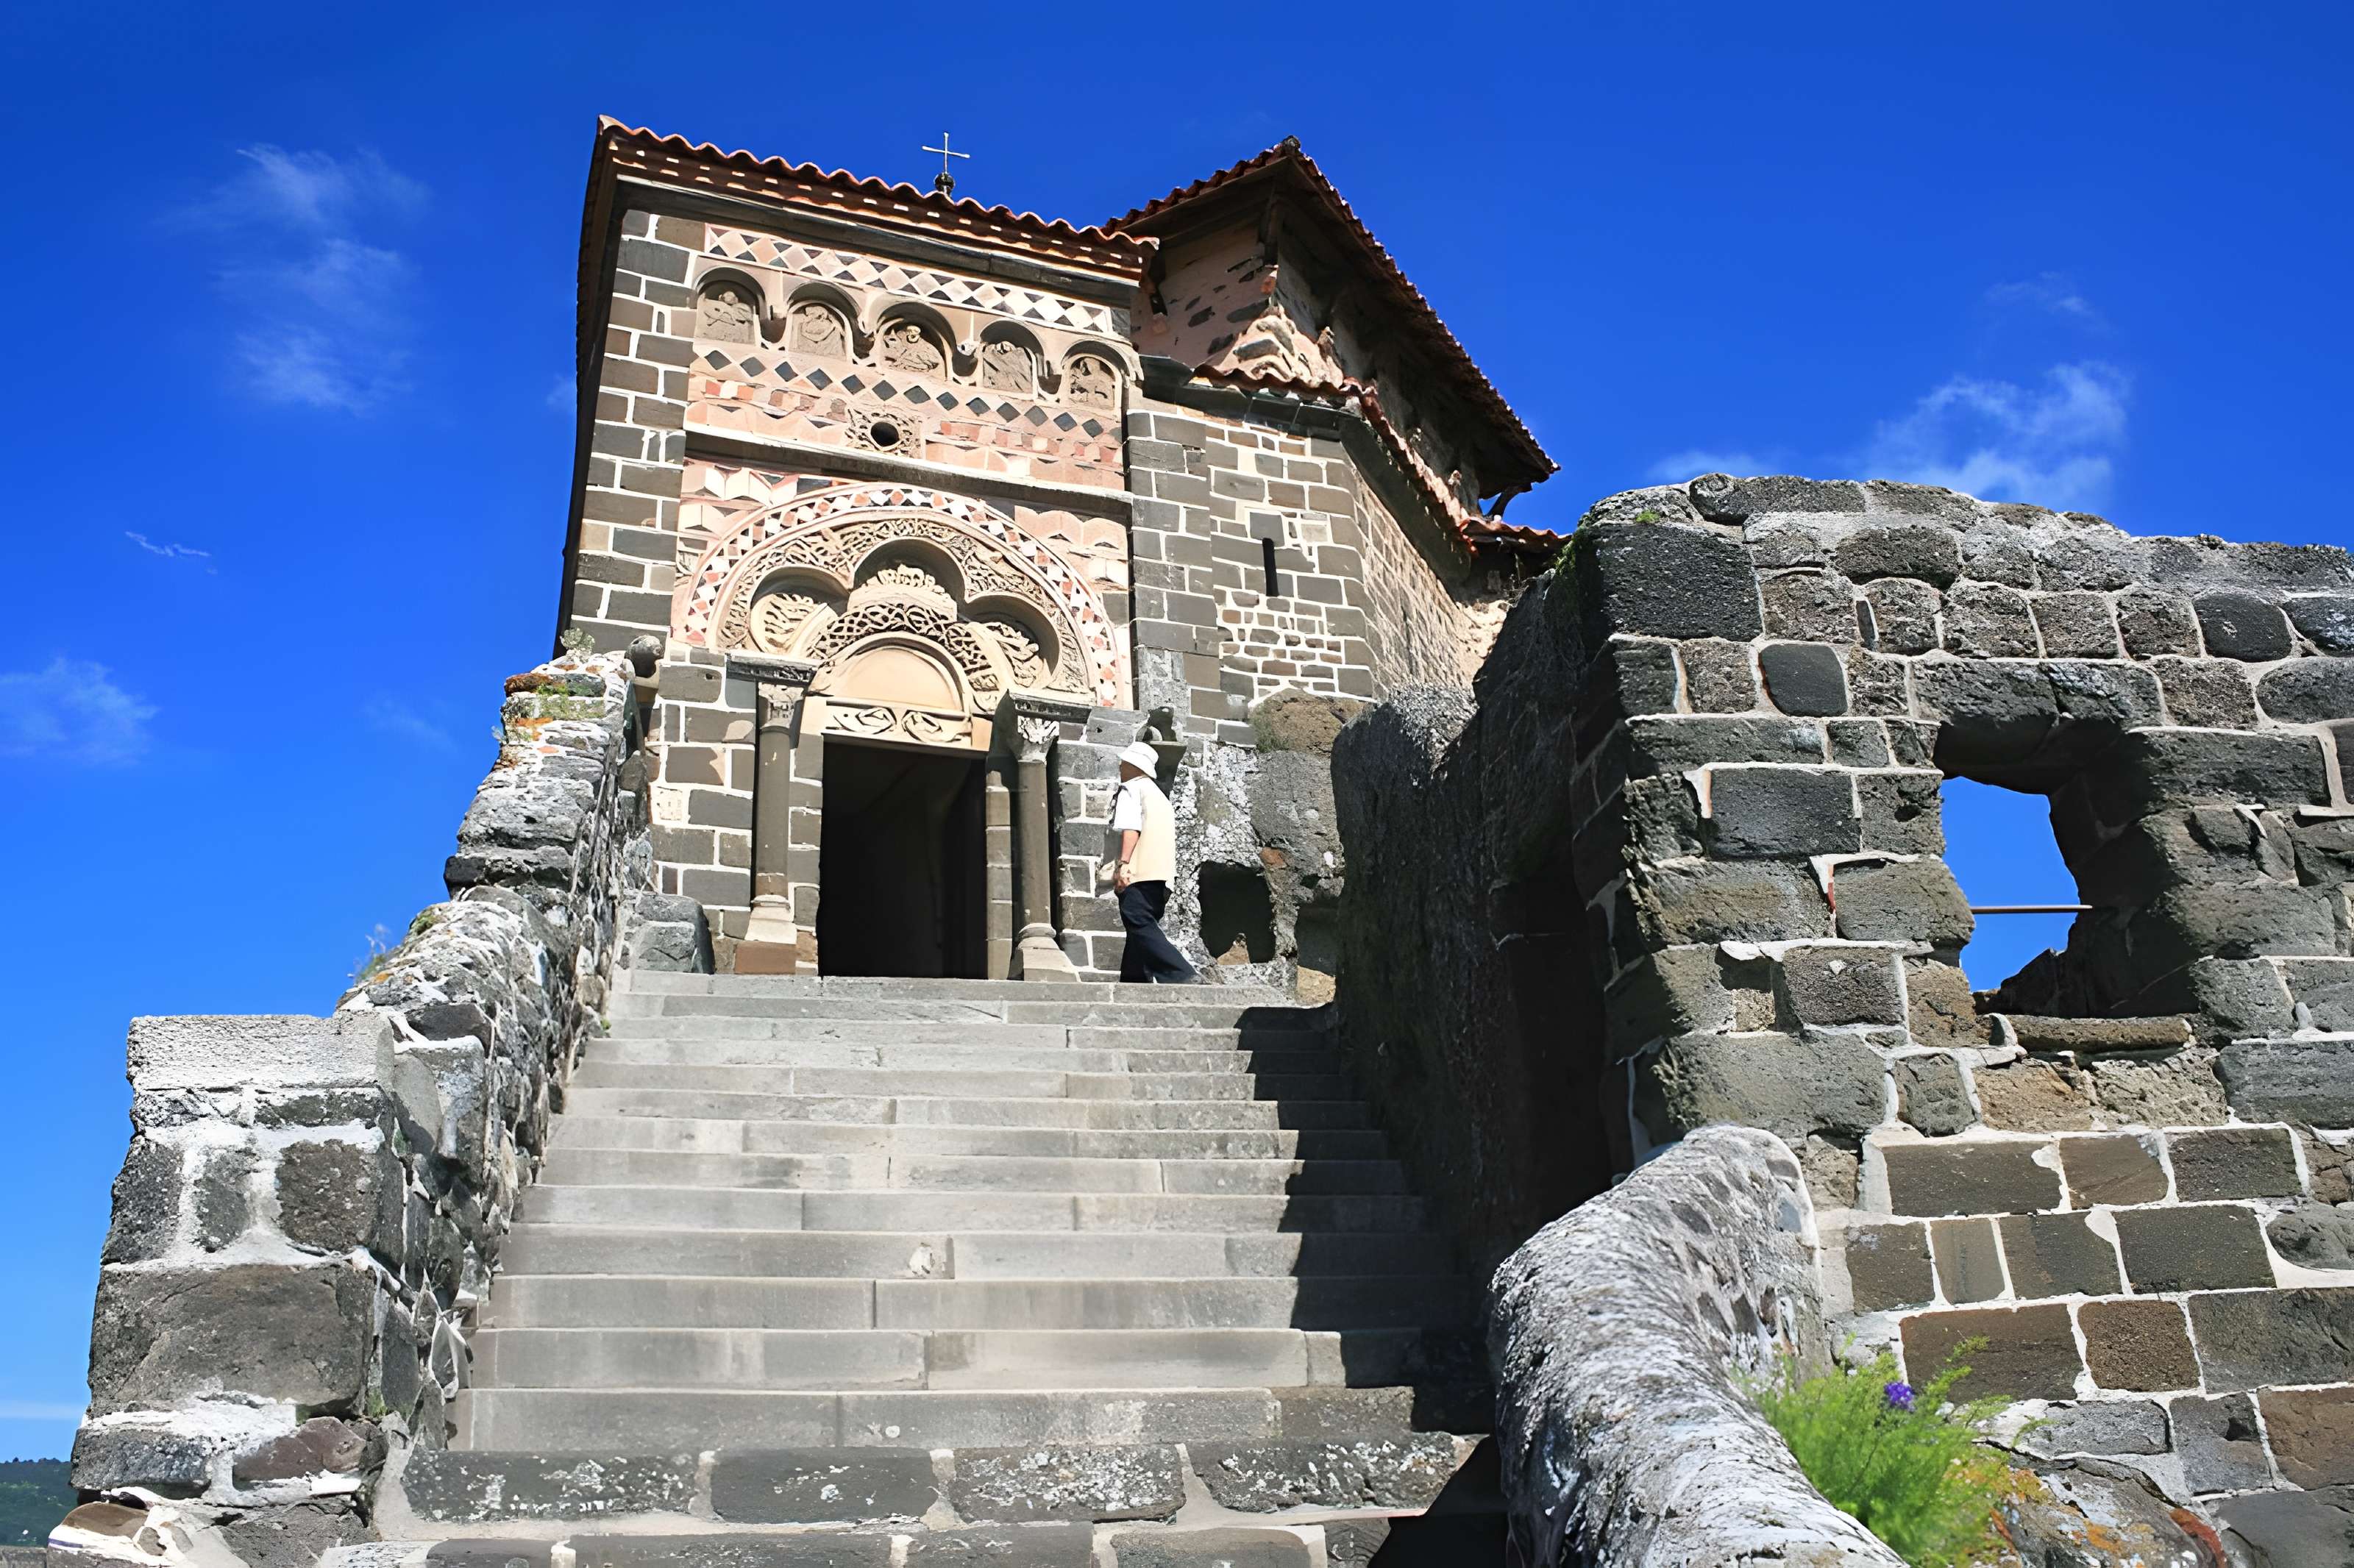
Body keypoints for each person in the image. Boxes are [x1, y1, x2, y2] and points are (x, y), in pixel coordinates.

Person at [1108, 739, 1198, 983]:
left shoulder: (1131, 789)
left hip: (1139, 873)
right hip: (1161, 878)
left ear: (1134, 765)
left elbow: (1131, 828)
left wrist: (1123, 865)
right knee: (1138, 934)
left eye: (1125, 762)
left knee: (1137, 919)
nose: (1121, 766)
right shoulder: (1160, 797)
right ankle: (1133, 984)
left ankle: (1182, 974)